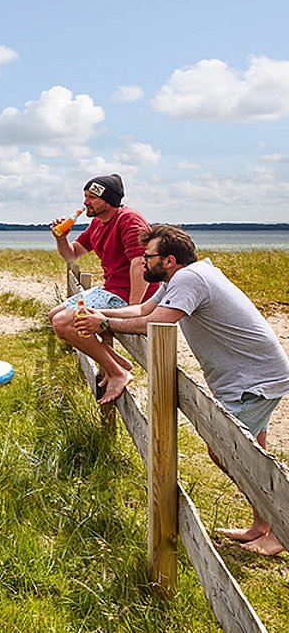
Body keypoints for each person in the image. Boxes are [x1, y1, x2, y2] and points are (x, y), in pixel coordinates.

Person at [75, 225, 289, 556]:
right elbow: (143, 310)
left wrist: (103, 325)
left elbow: (156, 323)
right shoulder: (181, 278)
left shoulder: (190, 280)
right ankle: (262, 525)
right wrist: (101, 313)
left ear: (170, 260)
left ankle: (279, 531)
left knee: (226, 451)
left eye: (148, 257)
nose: (143, 262)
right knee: (254, 454)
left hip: (255, 380)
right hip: (247, 378)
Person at [48, 174, 155, 404]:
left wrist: (134, 309)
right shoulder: (97, 223)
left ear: (109, 200)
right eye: (85, 196)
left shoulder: (129, 220)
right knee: (54, 316)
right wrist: (61, 238)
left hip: (129, 295)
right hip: (111, 289)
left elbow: (140, 263)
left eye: (92, 198)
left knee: (63, 322)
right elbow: (72, 253)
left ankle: (118, 372)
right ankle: (117, 362)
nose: (86, 202)